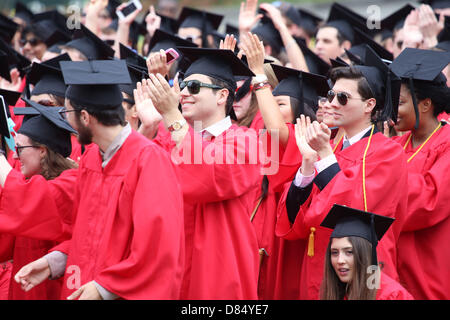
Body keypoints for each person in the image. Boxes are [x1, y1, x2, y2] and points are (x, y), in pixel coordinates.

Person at [14, 59, 185, 300]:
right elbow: (87, 236)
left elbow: (159, 251)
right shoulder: (92, 159)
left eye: (67, 112)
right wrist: (53, 262)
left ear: (85, 117)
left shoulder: (149, 161)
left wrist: (105, 287)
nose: (65, 121)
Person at [276, 47, 408, 299]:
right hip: (320, 267)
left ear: (370, 105)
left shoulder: (388, 153)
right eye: (331, 95)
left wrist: (324, 155)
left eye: (343, 98)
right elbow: (299, 223)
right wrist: (306, 167)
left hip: (363, 271)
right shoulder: (332, 144)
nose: (332, 104)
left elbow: (351, 208)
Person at [137, 46, 263, 299]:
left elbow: (211, 176)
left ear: (222, 96)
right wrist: (147, 127)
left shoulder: (246, 141)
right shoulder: (168, 140)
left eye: (194, 87)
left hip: (220, 276)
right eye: (183, 85)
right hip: (171, 271)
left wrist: (171, 115)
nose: (184, 93)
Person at [0, 99, 78, 300]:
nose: (15, 158)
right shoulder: (33, 182)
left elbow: (32, 199)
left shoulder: (72, 184)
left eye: (20, 149)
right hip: (25, 289)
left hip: (58, 290)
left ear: (42, 150)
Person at [388, 48, 450, 299]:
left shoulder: (447, 144)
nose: (393, 110)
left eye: (400, 103)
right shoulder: (395, 146)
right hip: (394, 264)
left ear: (425, 105)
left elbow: (430, 199)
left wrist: (383, 189)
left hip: (429, 263)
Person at [319, 204, 413, 300]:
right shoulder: (337, 292)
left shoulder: (392, 295)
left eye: (349, 252)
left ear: (365, 254)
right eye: (334, 253)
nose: (340, 260)